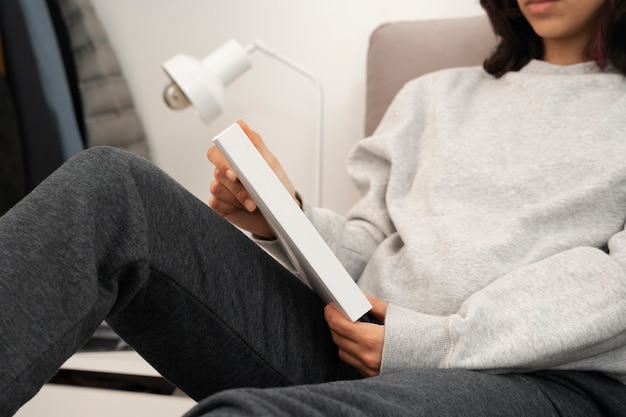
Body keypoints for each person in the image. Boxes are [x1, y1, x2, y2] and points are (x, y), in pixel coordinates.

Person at [2, 0, 626, 415]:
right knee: (112, 187)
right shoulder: (433, 97)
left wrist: (427, 342)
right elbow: (365, 244)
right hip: (348, 348)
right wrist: (283, 216)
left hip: (534, 381)